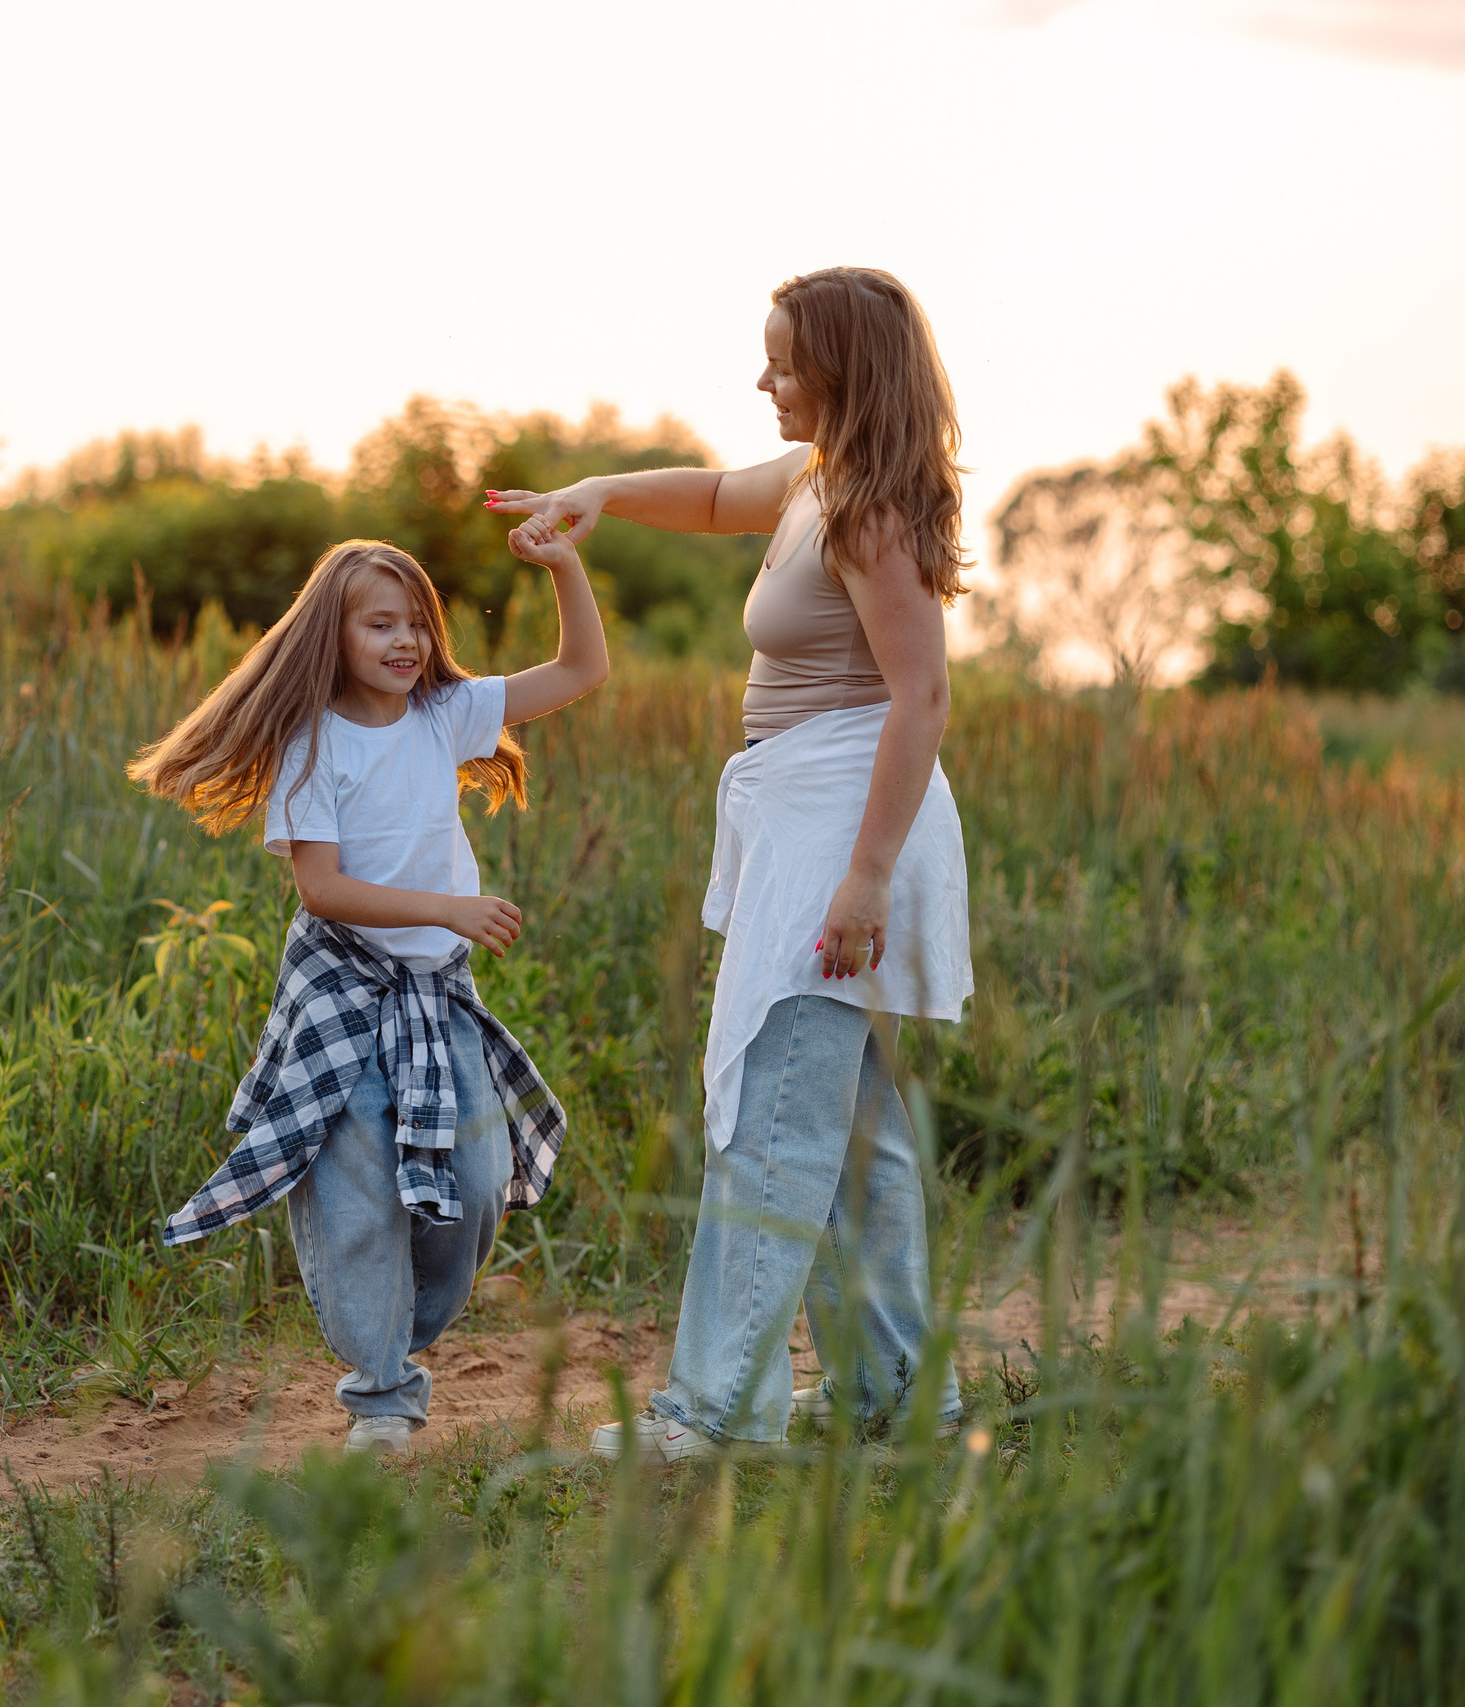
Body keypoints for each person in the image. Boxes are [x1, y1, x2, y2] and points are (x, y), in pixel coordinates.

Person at [488, 266, 973, 1461]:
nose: (762, 380)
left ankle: (716, 1412)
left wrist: (863, 875)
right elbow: (709, 496)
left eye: (783, 362)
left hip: (840, 825)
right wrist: (595, 490)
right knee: (849, 1133)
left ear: (844, 372)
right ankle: (894, 1397)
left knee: (772, 1119)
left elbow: (922, 698)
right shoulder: (821, 482)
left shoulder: (870, 510)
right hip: (802, 814)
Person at [130, 524, 610, 1455]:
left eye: (417, 625)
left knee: (474, 1181)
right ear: (334, 636)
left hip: (436, 990)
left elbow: (581, 667)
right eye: (379, 625)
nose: (405, 643)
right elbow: (323, 888)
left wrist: (563, 562)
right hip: (340, 986)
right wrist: (449, 905)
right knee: (358, 1191)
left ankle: (400, 1330)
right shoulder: (314, 746)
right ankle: (381, 1390)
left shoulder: (446, 716)